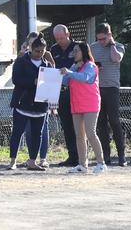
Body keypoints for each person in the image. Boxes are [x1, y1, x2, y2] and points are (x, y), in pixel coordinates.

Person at [62, 42, 107, 174]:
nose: (74, 53)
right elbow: (65, 81)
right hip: (76, 104)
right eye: (73, 51)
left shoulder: (91, 66)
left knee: (91, 133)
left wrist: (70, 72)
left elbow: (85, 78)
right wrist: (72, 69)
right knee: (80, 136)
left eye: (76, 51)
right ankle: (82, 165)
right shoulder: (75, 67)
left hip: (90, 104)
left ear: (84, 52)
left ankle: (101, 163)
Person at [8, 34, 50, 171]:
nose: (39, 54)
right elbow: (16, 79)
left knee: (37, 134)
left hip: (40, 106)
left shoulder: (47, 65)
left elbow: (51, 85)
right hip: (22, 103)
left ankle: (32, 160)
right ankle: (12, 161)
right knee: (17, 132)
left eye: (42, 51)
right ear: (31, 49)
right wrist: (33, 82)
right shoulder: (21, 61)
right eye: (37, 51)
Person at [90, 23, 128, 166]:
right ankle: (105, 155)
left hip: (112, 88)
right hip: (97, 88)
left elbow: (116, 59)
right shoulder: (93, 47)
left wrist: (111, 44)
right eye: (99, 39)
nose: (101, 42)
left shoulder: (118, 46)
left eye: (104, 39)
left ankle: (121, 155)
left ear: (110, 35)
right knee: (101, 123)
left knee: (114, 121)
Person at [19, 31, 54, 168]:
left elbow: (53, 75)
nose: (36, 48)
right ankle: (31, 157)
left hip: (43, 96)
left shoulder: (47, 55)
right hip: (27, 98)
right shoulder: (25, 56)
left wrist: (52, 102)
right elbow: (17, 72)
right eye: (32, 44)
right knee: (29, 129)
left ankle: (43, 157)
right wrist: (22, 54)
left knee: (42, 129)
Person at [50, 25, 79, 167]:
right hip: (60, 92)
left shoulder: (78, 48)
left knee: (78, 125)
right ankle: (72, 156)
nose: (60, 41)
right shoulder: (53, 49)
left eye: (62, 37)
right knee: (66, 125)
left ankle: (82, 155)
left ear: (69, 34)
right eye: (57, 38)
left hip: (75, 91)